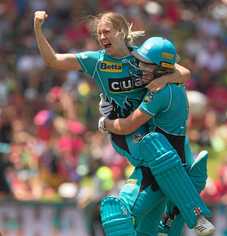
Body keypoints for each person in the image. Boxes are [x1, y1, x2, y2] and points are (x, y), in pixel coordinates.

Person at [34, 11, 212, 235]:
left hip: (149, 126)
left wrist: (164, 78)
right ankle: (196, 217)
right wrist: (38, 28)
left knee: (165, 172)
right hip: (124, 131)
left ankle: (163, 224)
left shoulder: (142, 57)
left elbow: (183, 73)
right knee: (160, 154)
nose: (101, 37)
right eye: (99, 33)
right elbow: (53, 60)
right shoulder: (96, 61)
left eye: (106, 31)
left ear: (120, 32)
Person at [99, 37, 216, 236]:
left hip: (159, 164)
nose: (139, 67)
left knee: (117, 214)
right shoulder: (170, 84)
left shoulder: (161, 91)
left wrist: (105, 123)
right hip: (170, 162)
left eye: (146, 64)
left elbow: (128, 125)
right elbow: (181, 72)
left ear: (161, 68)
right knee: (150, 231)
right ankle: (191, 214)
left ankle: (196, 216)